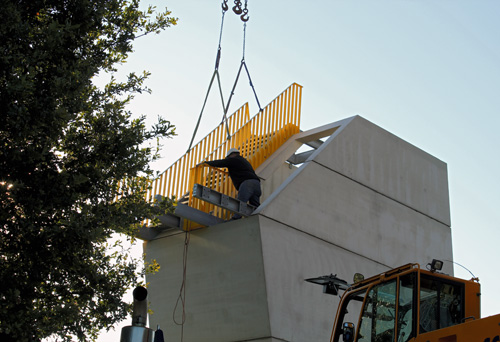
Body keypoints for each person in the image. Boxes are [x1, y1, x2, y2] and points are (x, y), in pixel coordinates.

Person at [200, 148, 261, 219]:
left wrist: (207, 163)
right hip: (256, 184)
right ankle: (259, 218)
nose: (228, 159)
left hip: (247, 183)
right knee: (256, 207)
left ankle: (236, 218)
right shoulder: (244, 161)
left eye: (228, 157)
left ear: (232, 154)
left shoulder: (234, 160)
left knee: (241, 202)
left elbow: (221, 162)